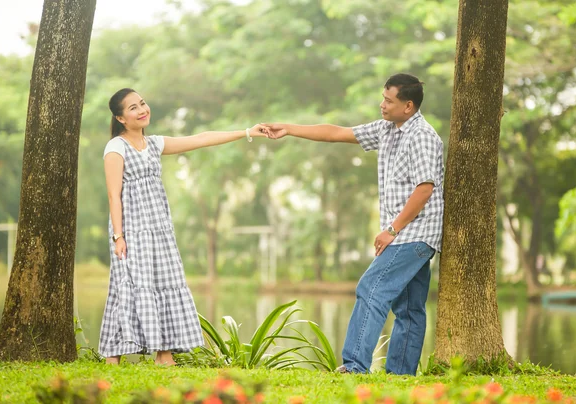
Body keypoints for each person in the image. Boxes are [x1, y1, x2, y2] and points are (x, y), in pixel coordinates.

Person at [264, 73, 444, 375]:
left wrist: (391, 229)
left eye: (389, 100)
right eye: (383, 98)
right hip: (407, 234)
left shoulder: (422, 136)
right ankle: (400, 375)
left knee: (370, 288)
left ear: (408, 106)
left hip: (414, 234)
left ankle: (354, 366)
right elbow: (336, 133)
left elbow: (424, 188)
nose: (382, 105)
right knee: (409, 309)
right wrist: (289, 129)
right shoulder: (388, 130)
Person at [99, 88, 267, 365]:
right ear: (120, 117)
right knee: (128, 286)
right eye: (133, 108)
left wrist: (247, 132)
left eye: (142, 103)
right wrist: (119, 236)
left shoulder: (153, 144)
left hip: (160, 230)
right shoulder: (116, 147)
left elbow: (200, 139)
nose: (142, 110)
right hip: (132, 232)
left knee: (164, 284)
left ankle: (164, 355)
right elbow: (113, 194)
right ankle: (112, 357)